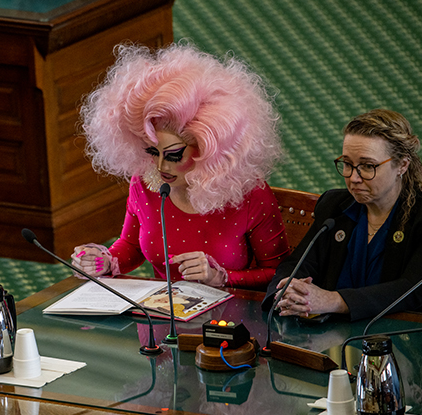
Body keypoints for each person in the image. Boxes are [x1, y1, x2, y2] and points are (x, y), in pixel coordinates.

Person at [71, 43, 288, 290]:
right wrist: (105, 262)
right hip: (163, 319)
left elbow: (279, 274)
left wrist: (222, 277)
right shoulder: (145, 182)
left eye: (173, 155)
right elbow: (131, 246)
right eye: (152, 152)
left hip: (229, 321)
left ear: (209, 149)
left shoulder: (250, 193)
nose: (161, 165)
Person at [263, 109, 422, 321]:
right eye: (347, 164)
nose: (353, 178)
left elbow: (412, 290)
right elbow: (296, 265)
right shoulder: (334, 205)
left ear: (402, 165)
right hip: (329, 338)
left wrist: (334, 301)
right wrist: (286, 290)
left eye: (367, 166)